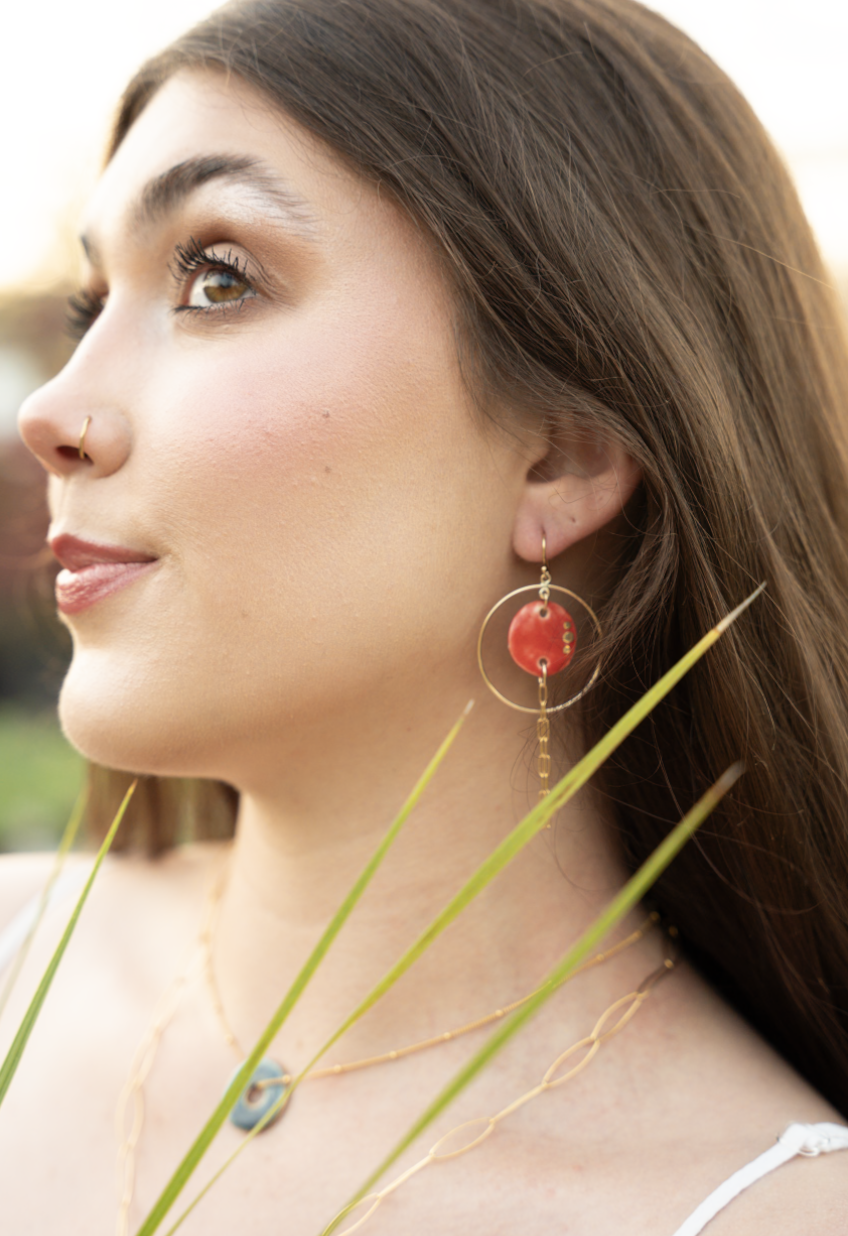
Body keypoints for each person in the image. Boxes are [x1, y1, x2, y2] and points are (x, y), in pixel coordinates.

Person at [3, 0, 848, 1230]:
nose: (54, 413)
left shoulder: (755, 1209)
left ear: (559, 458)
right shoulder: (16, 948)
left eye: (216, 277)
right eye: (91, 306)